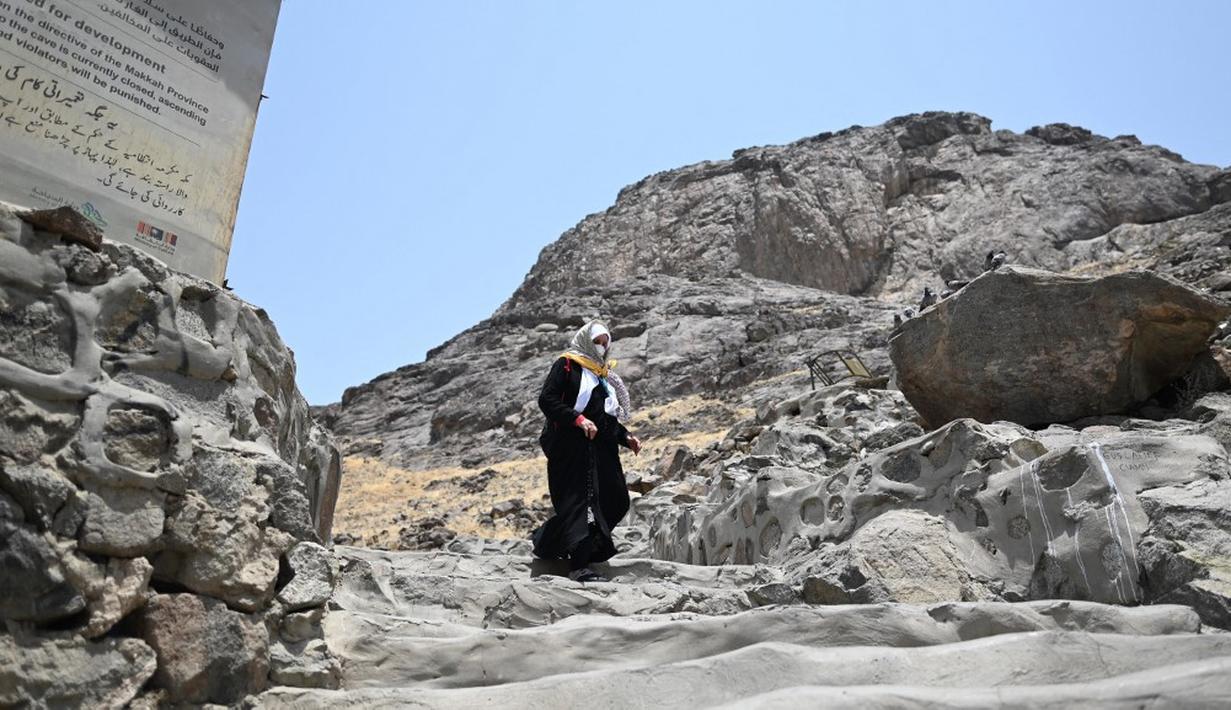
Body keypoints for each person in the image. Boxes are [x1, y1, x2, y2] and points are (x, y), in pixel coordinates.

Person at [532, 320, 641, 582]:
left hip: (599, 450)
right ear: (584, 341)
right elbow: (547, 399)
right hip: (570, 448)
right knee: (578, 504)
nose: (602, 348)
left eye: (605, 343)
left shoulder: (602, 377)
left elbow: (604, 419)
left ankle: (549, 541)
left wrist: (626, 437)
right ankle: (579, 566)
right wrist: (577, 419)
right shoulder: (567, 365)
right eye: (597, 342)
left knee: (617, 500)